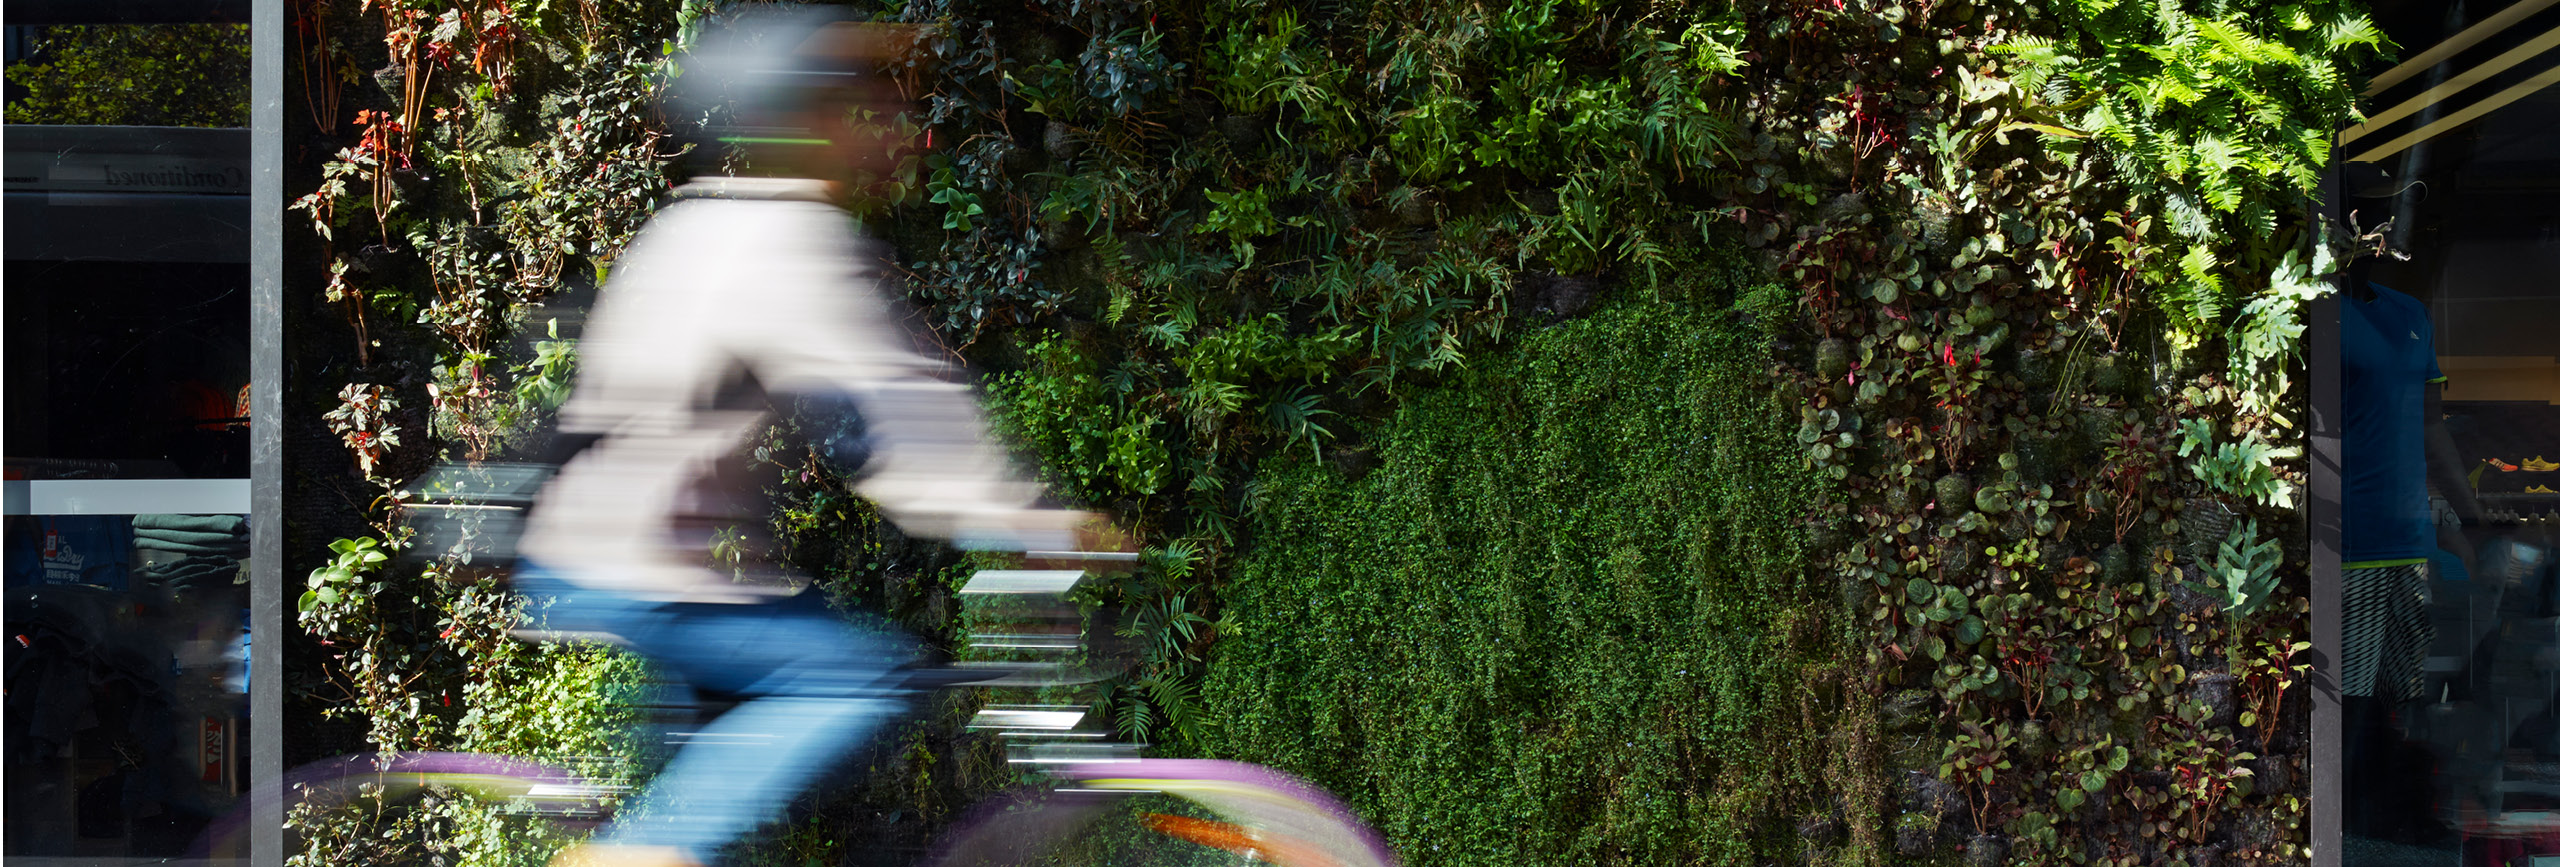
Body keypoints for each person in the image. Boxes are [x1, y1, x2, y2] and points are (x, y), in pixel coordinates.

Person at [525, 12, 1096, 867]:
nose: (883, 128)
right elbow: (901, 423)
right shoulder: (785, 239)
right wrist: (1034, 523)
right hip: (644, 569)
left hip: (590, 554)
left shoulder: (690, 224)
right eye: (856, 108)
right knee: (856, 676)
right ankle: (643, 852)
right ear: (798, 124)